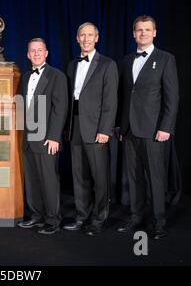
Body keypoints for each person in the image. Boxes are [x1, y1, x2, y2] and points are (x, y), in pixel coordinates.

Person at [117, 15, 179, 239]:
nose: (143, 33)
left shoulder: (165, 59)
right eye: (139, 30)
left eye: (147, 30)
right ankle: (136, 216)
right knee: (134, 177)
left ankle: (158, 221)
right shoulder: (126, 60)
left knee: (156, 177)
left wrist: (166, 127)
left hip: (154, 131)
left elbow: (172, 98)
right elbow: (124, 96)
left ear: (154, 33)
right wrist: (121, 127)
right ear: (134, 34)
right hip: (130, 130)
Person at [63, 23, 118, 236]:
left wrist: (105, 129)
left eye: (90, 35)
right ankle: (81, 216)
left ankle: (99, 218)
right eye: (82, 35)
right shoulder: (71, 65)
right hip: (75, 127)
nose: (86, 39)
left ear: (97, 38)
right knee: (79, 176)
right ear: (77, 39)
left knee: (99, 177)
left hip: (97, 129)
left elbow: (110, 101)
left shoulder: (107, 64)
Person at [17, 38, 68, 235]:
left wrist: (54, 136)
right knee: (32, 180)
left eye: (40, 50)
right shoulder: (25, 77)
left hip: (47, 139)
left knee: (49, 180)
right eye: (33, 51)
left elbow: (60, 108)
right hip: (28, 139)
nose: (36, 54)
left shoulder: (57, 76)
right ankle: (36, 216)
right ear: (28, 54)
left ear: (46, 53)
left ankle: (53, 220)